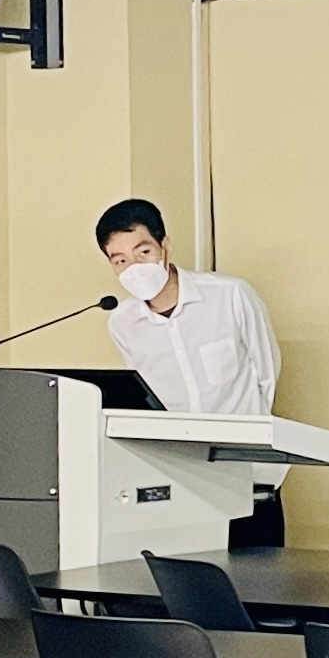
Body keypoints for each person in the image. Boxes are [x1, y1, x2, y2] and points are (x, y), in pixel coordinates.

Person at [96, 198, 289, 548]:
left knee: (260, 578)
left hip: (249, 477)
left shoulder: (230, 295)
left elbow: (267, 374)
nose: (134, 268)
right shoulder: (122, 323)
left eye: (143, 252)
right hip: (181, 482)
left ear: (165, 246)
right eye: (120, 260)